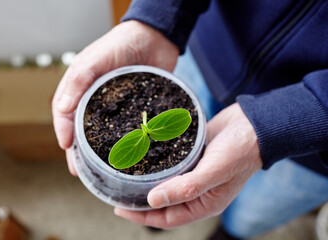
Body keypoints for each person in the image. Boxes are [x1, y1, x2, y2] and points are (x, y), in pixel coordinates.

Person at [52, 0, 328, 239]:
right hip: (205, 45)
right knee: (168, 191)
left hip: (310, 142)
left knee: (258, 209)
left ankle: (232, 234)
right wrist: (156, 17)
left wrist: (289, 120)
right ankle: (154, 205)